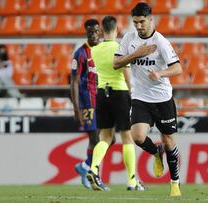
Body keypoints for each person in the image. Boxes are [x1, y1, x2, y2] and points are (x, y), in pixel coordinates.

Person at [113, 2, 182, 197]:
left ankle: (175, 183)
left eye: (142, 22)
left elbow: (178, 68)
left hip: (162, 99)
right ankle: (155, 153)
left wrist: (160, 73)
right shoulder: (129, 38)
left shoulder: (161, 42)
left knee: (169, 141)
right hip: (140, 97)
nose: (139, 26)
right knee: (137, 137)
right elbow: (116, 63)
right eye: (135, 22)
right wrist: (136, 54)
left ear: (151, 19)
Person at [87, 15, 145, 192]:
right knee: (127, 137)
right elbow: (127, 75)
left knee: (105, 137)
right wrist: (133, 95)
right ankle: (132, 180)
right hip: (120, 94)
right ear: (117, 29)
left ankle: (93, 168)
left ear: (102, 30)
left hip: (102, 94)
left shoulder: (95, 49)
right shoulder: (121, 47)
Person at [70, 19, 101, 189]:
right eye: (90, 32)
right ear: (86, 33)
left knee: (107, 140)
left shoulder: (103, 51)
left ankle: (85, 167)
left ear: (100, 31)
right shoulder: (80, 54)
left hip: (102, 101)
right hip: (87, 103)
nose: (94, 34)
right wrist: (76, 109)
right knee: (96, 139)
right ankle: (93, 173)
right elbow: (74, 83)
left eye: (96, 31)